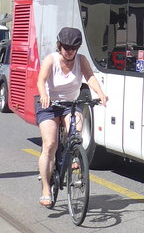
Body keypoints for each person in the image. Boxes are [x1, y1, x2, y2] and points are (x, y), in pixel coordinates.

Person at [36, 27, 107, 208]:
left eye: (73, 48)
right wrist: (44, 95)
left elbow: (90, 77)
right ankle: (46, 189)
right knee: (50, 144)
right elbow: (41, 80)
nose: (69, 51)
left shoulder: (81, 60)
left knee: (76, 132)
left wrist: (100, 93)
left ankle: (74, 155)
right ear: (59, 46)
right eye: (66, 47)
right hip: (49, 105)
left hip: (70, 104)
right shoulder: (51, 60)